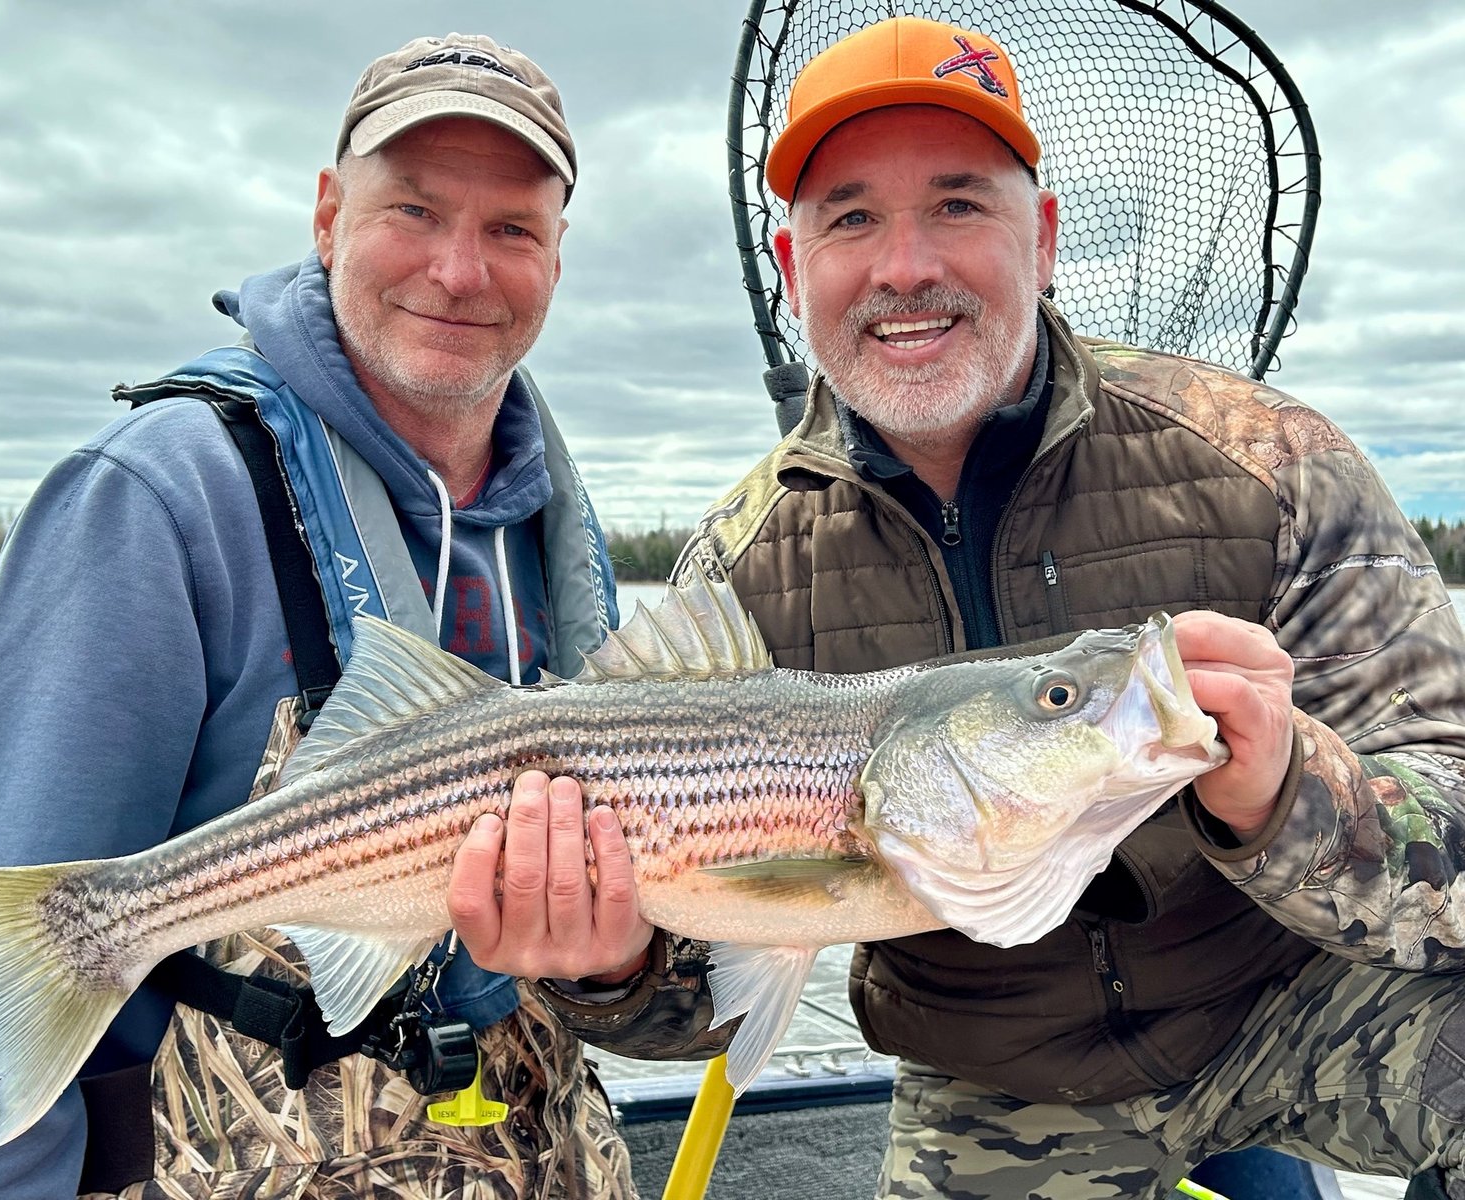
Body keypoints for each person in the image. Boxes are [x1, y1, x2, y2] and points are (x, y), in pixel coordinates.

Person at [447, 16, 1465, 1200]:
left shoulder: (1270, 461)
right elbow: (698, 1007)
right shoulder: (736, 570)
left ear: (1040, 239)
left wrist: (1288, 792)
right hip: (997, 1072)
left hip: (1289, 1003)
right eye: (851, 219)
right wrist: (605, 970)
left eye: (958, 205)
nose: (904, 266)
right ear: (793, 270)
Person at [0, 32, 638, 1200]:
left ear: (557, 256)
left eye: (512, 228)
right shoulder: (155, 497)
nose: (459, 270)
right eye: (413, 210)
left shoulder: (553, 531)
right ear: (327, 213)